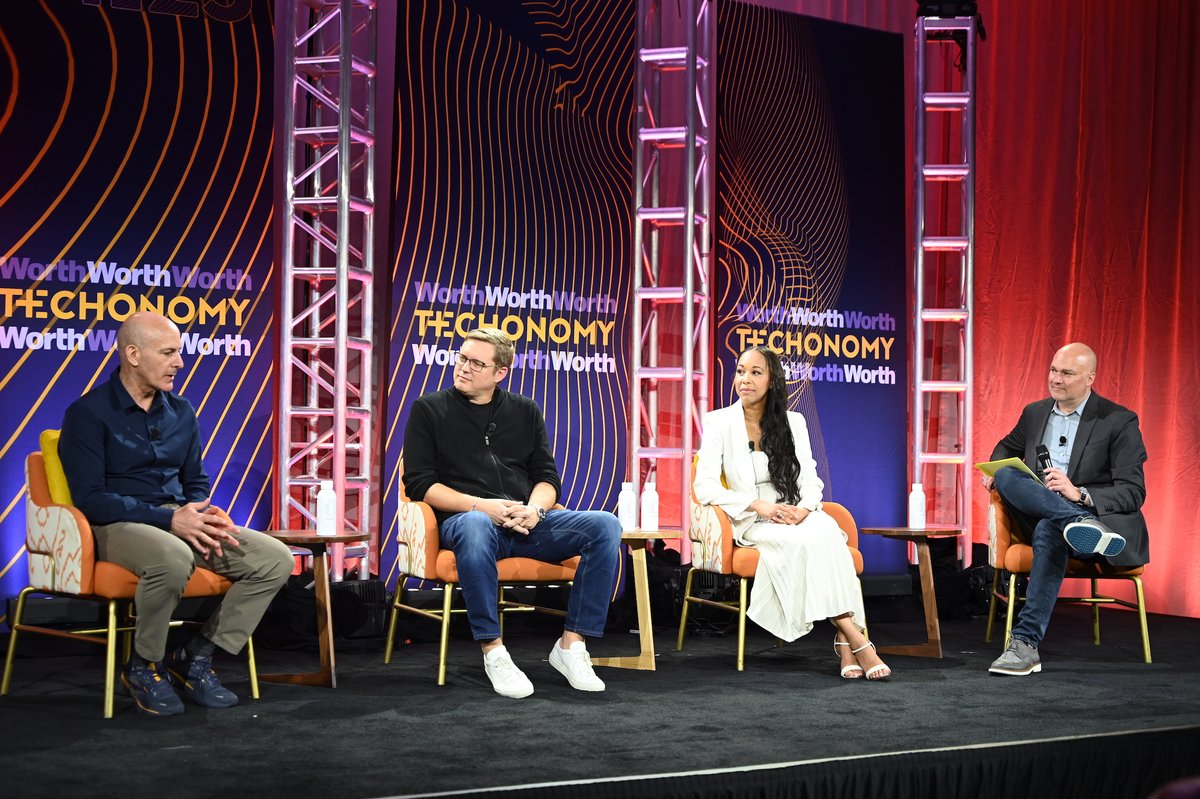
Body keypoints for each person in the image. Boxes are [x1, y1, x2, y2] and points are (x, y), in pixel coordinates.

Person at [59, 312, 294, 716]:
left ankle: (195, 656)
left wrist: (200, 510)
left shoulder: (182, 411)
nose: (179, 363)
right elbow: (90, 498)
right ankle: (144, 665)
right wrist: (169, 520)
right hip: (117, 524)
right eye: (168, 353)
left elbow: (195, 480)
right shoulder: (88, 413)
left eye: (178, 353)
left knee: (275, 559)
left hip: (178, 518)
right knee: (172, 557)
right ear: (133, 354)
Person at [402, 327, 622, 698]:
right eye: (462, 358)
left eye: (476, 363)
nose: (464, 367)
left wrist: (535, 510)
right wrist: (480, 506)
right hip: (467, 522)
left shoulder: (525, 410)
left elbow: (547, 478)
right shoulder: (429, 409)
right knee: (474, 525)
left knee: (605, 525)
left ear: (500, 372)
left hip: (524, 524)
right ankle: (494, 650)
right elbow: (420, 485)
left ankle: (571, 645)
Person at [693, 346, 891, 680]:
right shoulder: (719, 422)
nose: (745, 379)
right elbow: (705, 487)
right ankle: (856, 639)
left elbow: (811, 480)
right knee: (802, 545)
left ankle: (846, 645)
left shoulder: (794, 423)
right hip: (752, 519)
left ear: (772, 381)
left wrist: (803, 510)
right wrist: (757, 505)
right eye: (740, 371)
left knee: (828, 534)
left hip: (793, 511)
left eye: (755, 372)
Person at [982, 342, 1148, 676]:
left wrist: (1079, 494)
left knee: (1051, 529)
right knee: (1007, 475)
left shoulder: (1118, 420)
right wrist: (994, 470)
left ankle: (1025, 644)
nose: (1056, 379)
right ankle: (1077, 521)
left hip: (1087, 519)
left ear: (1090, 378)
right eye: (1053, 370)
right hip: (1044, 511)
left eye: (1067, 373)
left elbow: (1133, 492)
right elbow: (1006, 447)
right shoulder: (1035, 412)